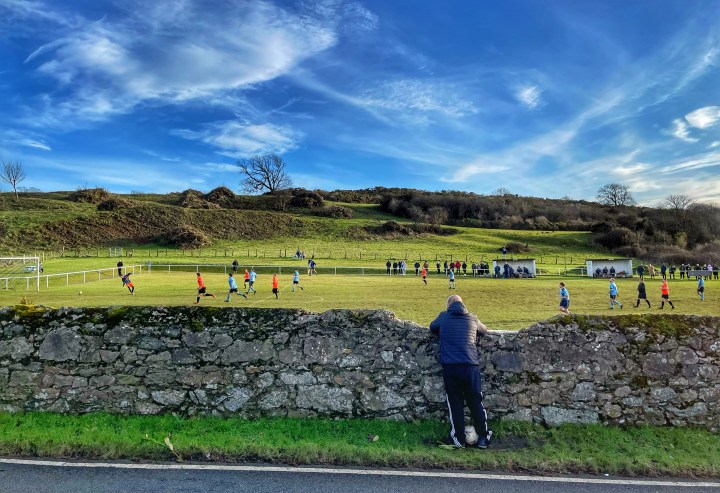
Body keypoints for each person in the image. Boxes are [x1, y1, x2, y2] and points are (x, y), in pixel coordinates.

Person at [429, 295, 491, 449]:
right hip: (470, 365)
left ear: (448, 306)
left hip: (451, 366)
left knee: (455, 403)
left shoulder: (443, 317)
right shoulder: (472, 318)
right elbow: (484, 331)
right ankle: (483, 437)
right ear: (463, 305)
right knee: (475, 401)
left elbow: (432, 327)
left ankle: (459, 439)